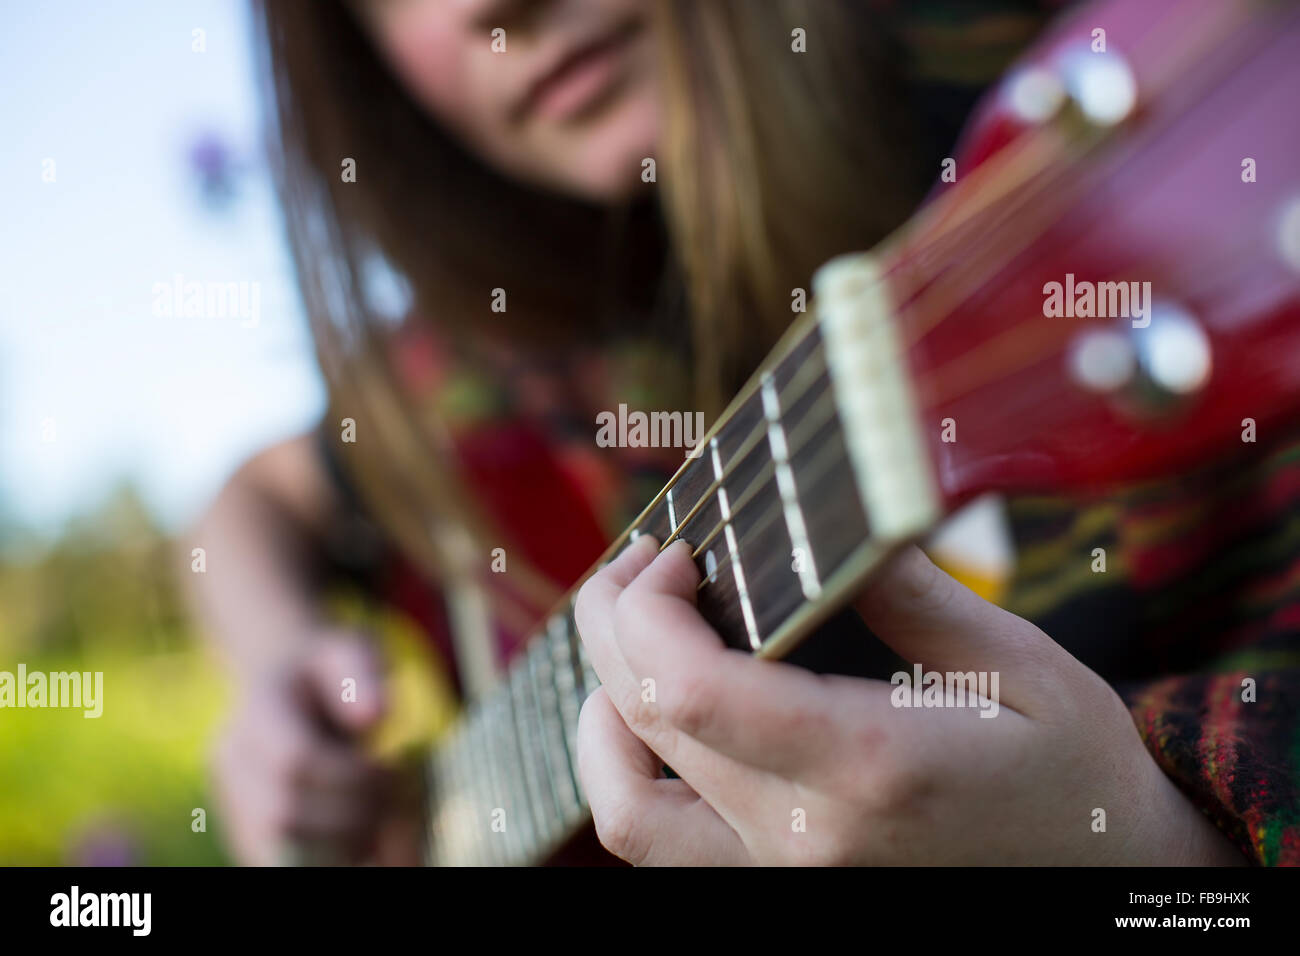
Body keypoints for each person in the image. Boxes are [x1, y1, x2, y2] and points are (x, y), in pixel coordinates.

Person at [187, 0, 1295, 866]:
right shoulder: (454, 369)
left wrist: (1146, 846)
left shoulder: (1016, 82)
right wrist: (275, 663)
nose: (501, 7)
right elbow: (253, 499)